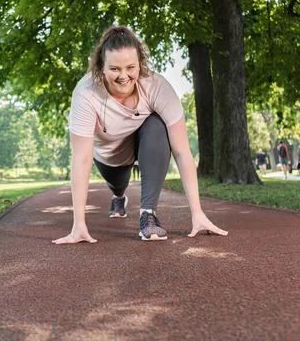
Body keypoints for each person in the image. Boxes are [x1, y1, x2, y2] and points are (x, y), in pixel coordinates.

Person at [52, 25, 228, 244]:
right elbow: (82, 158)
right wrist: (79, 224)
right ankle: (118, 198)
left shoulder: (157, 87)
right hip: (109, 156)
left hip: (145, 142)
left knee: (156, 123)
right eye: (115, 69)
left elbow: (182, 152)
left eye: (130, 67)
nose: (123, 76)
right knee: (118, 184)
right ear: (101, 68)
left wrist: (197, 212)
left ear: (140, 64)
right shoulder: (86, 92)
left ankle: (148, 216)